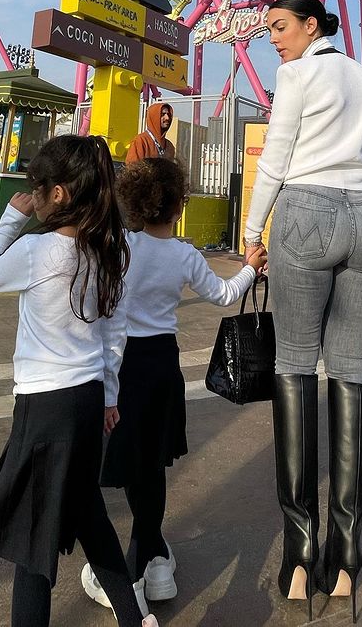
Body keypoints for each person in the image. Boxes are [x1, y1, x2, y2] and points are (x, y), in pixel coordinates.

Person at [0, 135, 159, 627]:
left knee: (33, 532)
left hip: (44, 406)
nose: (33, 196)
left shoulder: (37, 249)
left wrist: (10, 216)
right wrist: (110, 395)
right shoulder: (106, 250)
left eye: (36, 188)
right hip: (87, 400)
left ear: (58, 194)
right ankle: (134, 619)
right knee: (88, 515)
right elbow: (115, 331)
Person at [243, 0, 362, 620]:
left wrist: (251, 233)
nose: (271, 39)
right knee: (350, 366)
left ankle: (301, 552)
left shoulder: (297, 73)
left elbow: (277, 157)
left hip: (306, 211)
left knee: (296, 363)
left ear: (311, 26)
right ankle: (348, 552)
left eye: (279, 27)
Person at [82, 157, 266, 612]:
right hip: (164, 365)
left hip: (126, 364)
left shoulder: (122, 246)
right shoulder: (185, 254)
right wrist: (251, 268)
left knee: (133, 462)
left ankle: (133, 571)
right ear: (178, 207)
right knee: (155, 464)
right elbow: (224, 294)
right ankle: (155, 560)